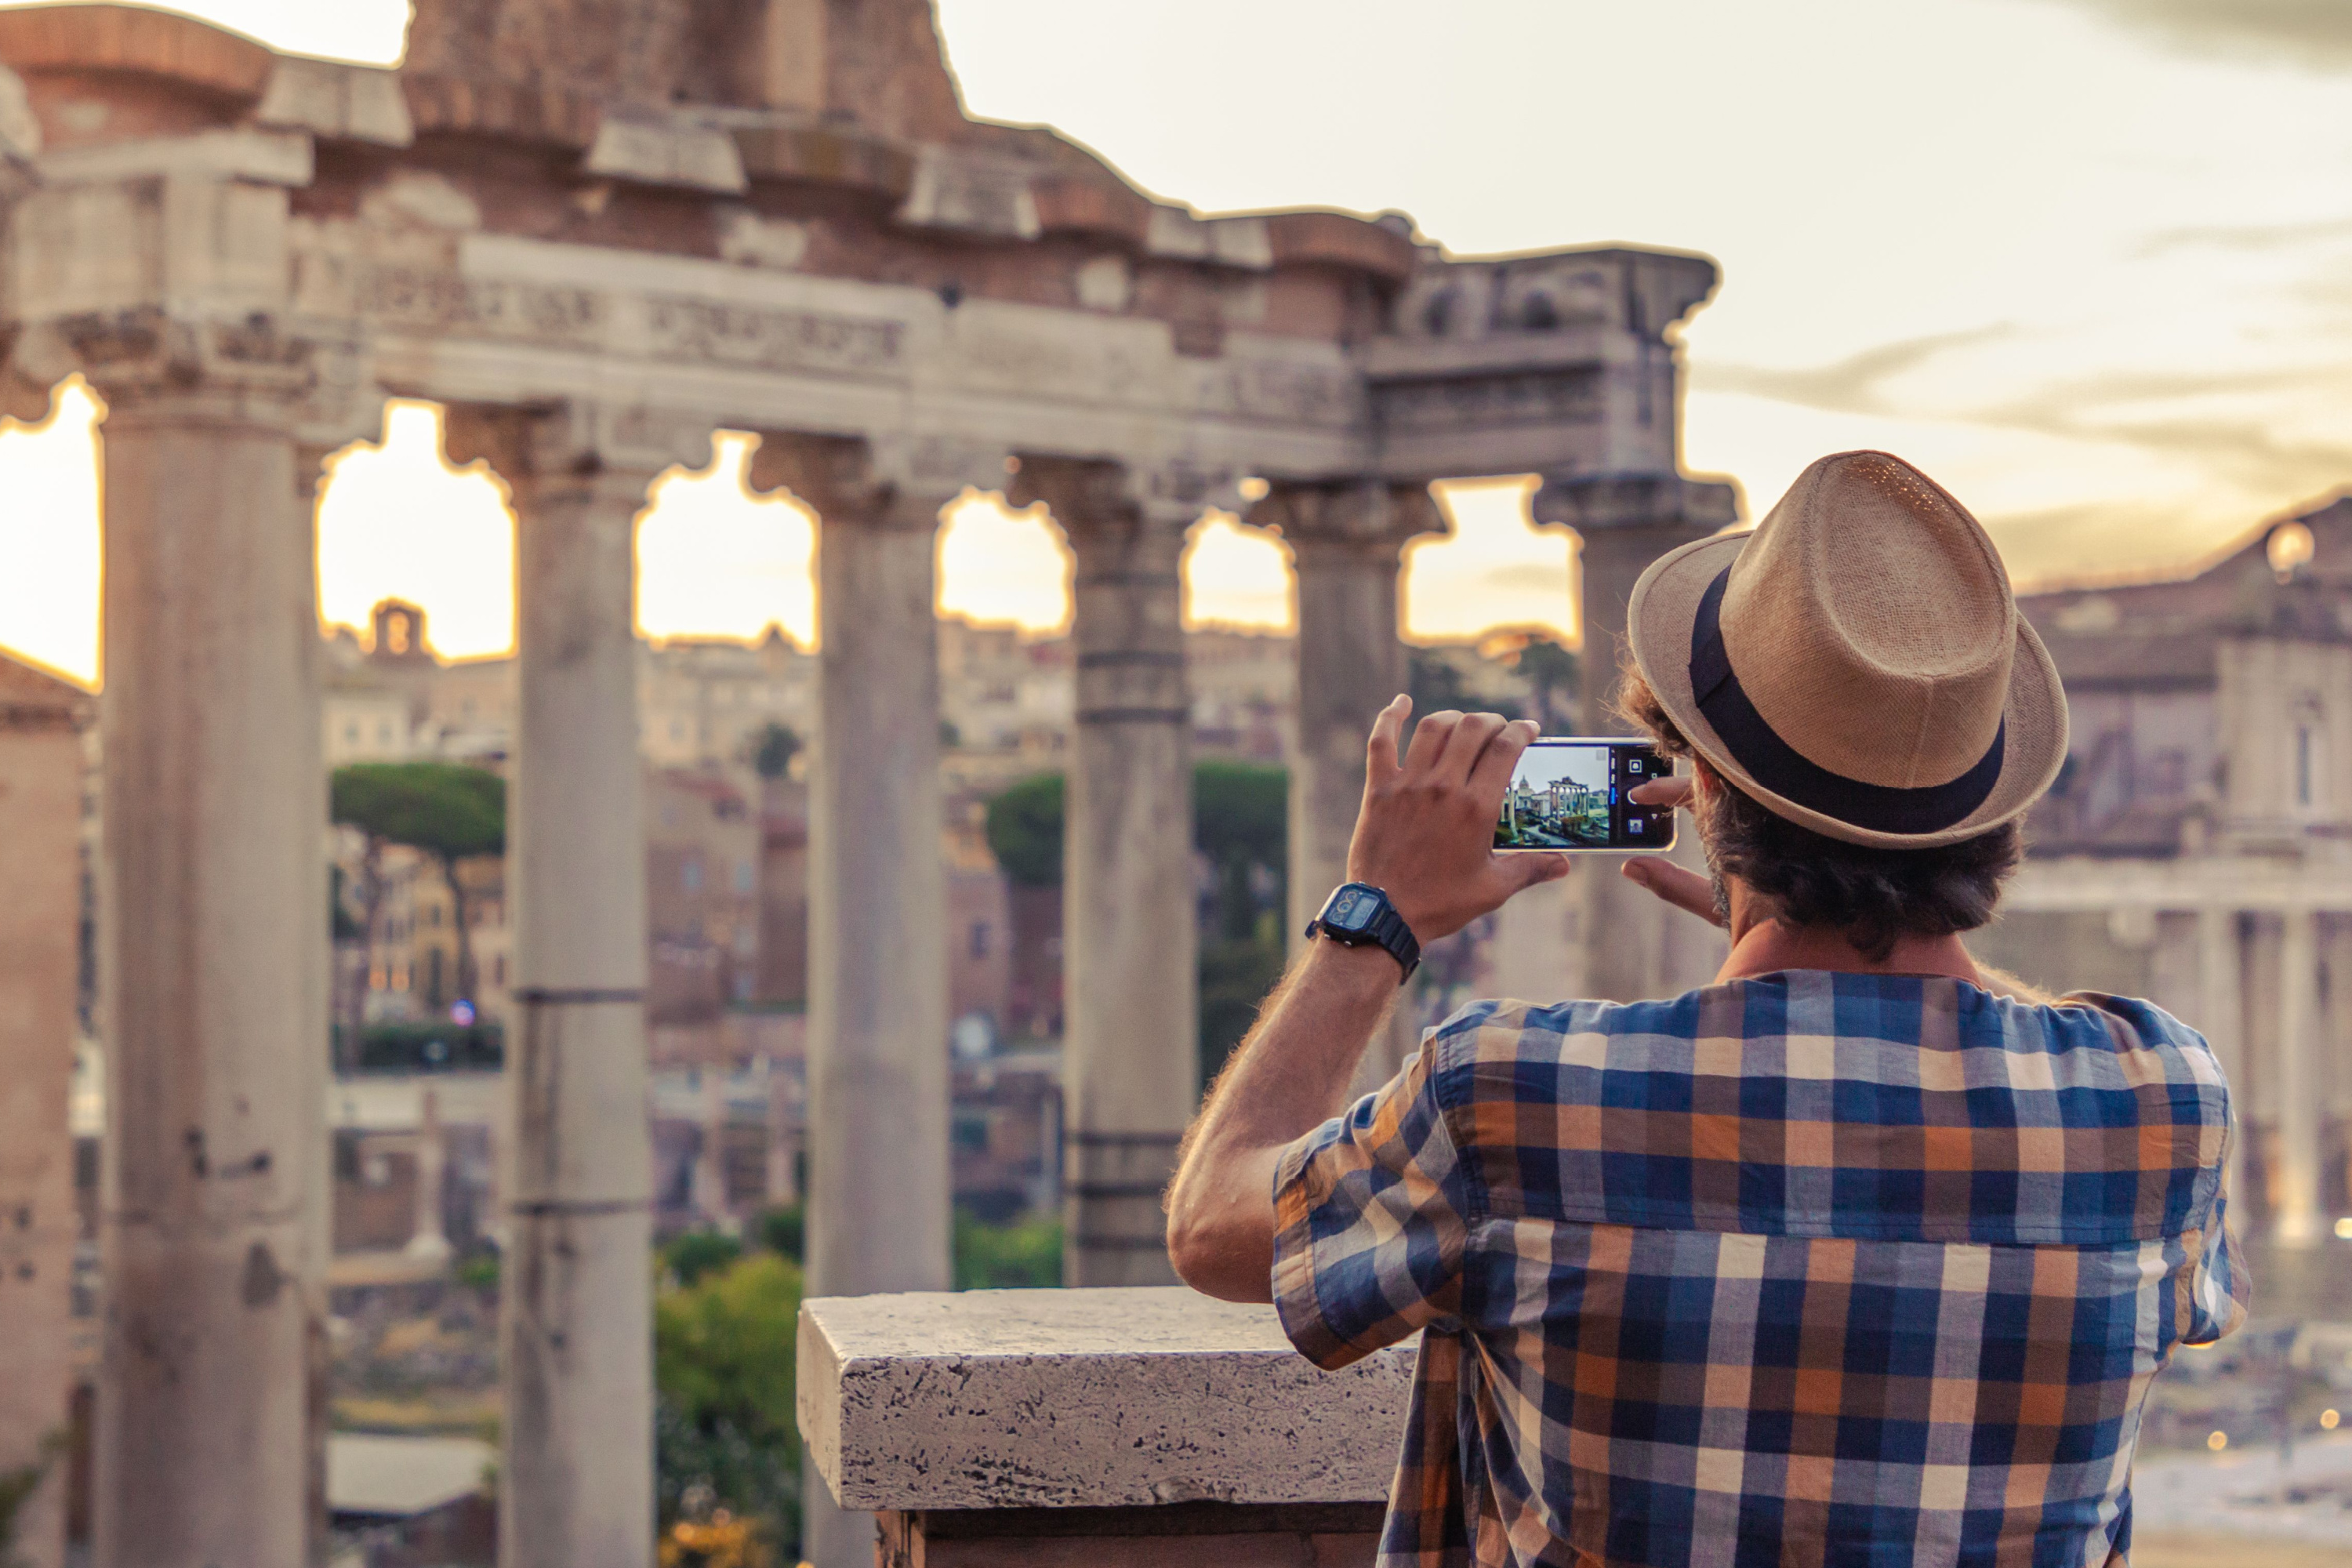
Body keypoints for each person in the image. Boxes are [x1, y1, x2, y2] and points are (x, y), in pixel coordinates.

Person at [1164, 451, 2248, 1567]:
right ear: (1989, 817)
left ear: (1711, 794)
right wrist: (1822, 964)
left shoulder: (1513, 1095)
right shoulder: (2162, 1101)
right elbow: (1988, 1045)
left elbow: (1212, 1226)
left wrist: (1374, 918)